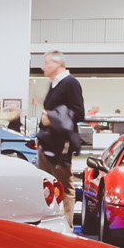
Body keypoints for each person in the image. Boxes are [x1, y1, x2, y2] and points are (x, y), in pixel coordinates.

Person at [37, 49, 84, 227]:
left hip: (60, 145)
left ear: (57, 64)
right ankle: (51, 224)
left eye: (46, 63)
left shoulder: (70, 83)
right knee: (48, 185)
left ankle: (67, 226)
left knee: (63, 186)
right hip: (47, 143)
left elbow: (79, 112)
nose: (43, 67)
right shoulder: (54, 84)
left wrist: (52, 119)